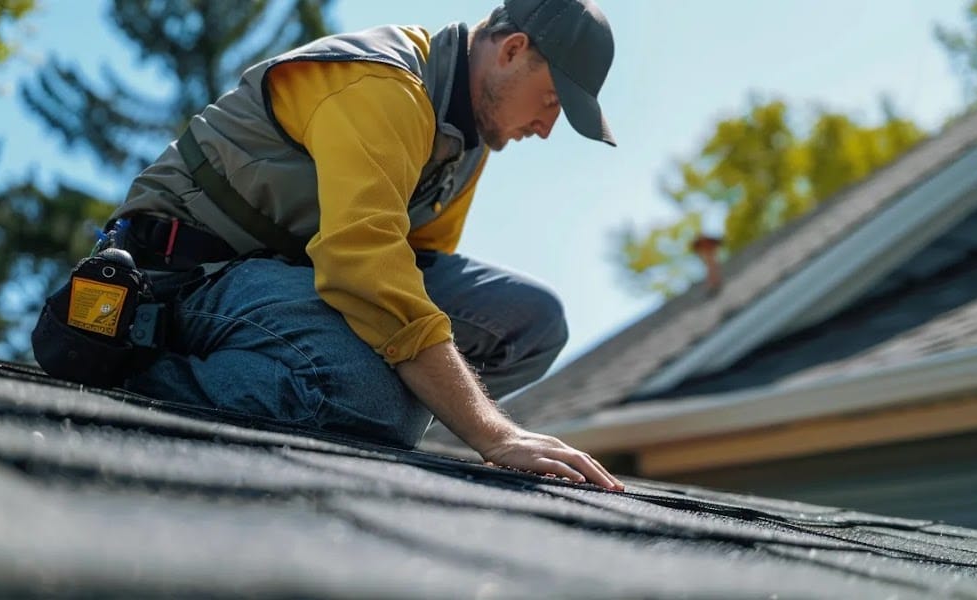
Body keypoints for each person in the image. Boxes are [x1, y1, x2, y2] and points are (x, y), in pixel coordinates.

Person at [106, 0, 622, 490]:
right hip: (191, 273)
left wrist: (447, 396)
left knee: (531, 323)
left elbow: (415, 265)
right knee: (375, 401)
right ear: (511, 50)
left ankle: (363, 411)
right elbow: (366, 267)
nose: (547, 128)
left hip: (294, 275)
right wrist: (494, 432)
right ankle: (135, 370)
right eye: (553, 101)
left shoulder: (467, 140)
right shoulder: (382, 84)